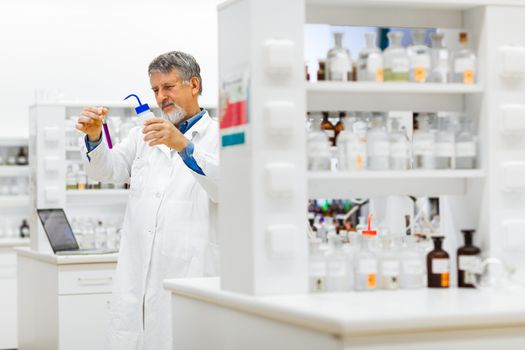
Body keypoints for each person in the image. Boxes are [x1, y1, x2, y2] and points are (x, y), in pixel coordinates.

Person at [75, 51, 219, 350]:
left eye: (169, 87)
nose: (161, 97)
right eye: (155, 90)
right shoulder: (143, 135)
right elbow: (107, 170)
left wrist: (183, 145)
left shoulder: (220, 136)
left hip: (189, 275)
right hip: (137, 277)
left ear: (194, 84)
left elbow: (225, 187)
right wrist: (94, 137)